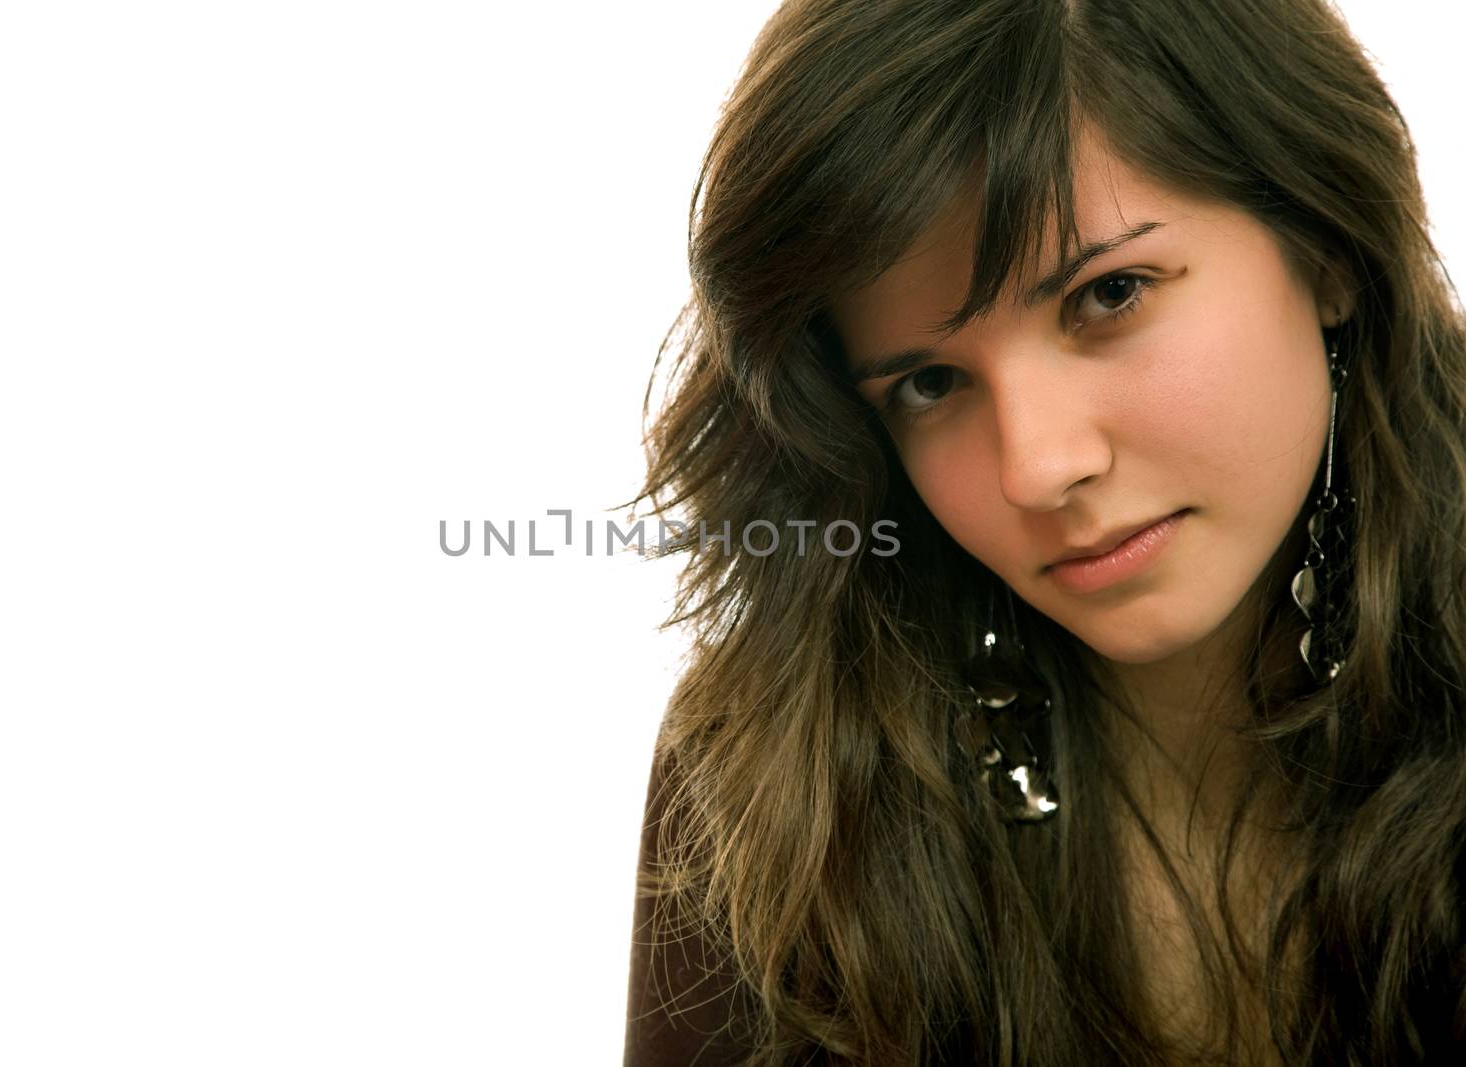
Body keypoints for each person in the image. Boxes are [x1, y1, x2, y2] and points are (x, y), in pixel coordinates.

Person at [622, 0, 1466, 1064]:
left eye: (1108, 295)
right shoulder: (777, 762)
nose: (1036, 466)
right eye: (928, 383)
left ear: (1329, 246)